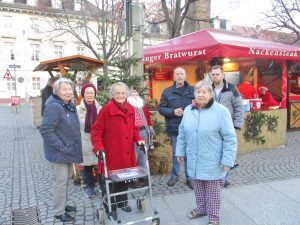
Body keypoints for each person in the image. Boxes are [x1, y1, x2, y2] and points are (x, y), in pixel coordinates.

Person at [176, 81, 237, 225]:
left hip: (213, 160)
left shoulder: (221, 111)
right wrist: (179, 151)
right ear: (194, 94)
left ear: (210, 94)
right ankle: (202, 208)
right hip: (194, 159)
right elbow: (182, 133)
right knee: (198, 187)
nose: (201, 94)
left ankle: (214, 218)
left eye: (204, 92)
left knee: (213, 192)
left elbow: (230, 138)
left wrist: (228, 160)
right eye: (198, 92)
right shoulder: (188, 110)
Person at [91, 82, 145, 221]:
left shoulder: (130, 108)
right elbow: (96, 131)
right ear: (112, 95)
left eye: (123, 93)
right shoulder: (106, 109)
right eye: (117, 93)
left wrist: (138, 139)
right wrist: (98, 148)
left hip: (126, 152)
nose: (121, 95)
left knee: (124, 180)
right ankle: (111, 207)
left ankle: (122, 203)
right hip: (111, 153)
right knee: (110, 182)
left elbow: (134, 129)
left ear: (126, 94)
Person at [39, 78, 82, 223]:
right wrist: (61, 147)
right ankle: (59, 211)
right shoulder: (54, 107)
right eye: (65, 89)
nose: (68, 92)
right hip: (59, 152)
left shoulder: (68, 104)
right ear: (56, 91)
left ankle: (63, 205)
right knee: (60, 182)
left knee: (66, 180)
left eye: (70, 89)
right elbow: (46, 131)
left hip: (68, 150)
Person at [158, 67, 194, 189]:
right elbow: (161, 108)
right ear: (173, 77)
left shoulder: (193, 90)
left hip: (191, 128)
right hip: (174, 128)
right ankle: (175, 175)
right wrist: (173, 111)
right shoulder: (167, 92)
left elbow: (200, 105)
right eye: (177, 74)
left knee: (189, 153)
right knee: (176, 153)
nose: (179, 76)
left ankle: (190, 177)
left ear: (185, 76)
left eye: (181, 74)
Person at [210, 65, 243, 187]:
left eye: (217, 74)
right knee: (215, 151)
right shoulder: (208, 89)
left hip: (227, 126)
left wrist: (236, 126)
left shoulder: (232, 88)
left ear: (222, 75)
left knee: (228, 151)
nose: (215, 76)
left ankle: (226, 178)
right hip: (212, 127)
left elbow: (239, 107)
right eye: (213, 74)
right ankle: (215, 175)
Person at [77, 83, 101, 198]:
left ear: (95, 94)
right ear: (83, 94)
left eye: (92, 92)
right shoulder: (77, 110)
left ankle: (102, 186)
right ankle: (90, 187)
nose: (90, 95)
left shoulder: (100, 109)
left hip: (98, 141)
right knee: (87, 167)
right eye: (87, 93)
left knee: (101, 165)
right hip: (84, 141)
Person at [127, 90, 155, 187]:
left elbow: (148, 119)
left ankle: (144, 177)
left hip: (144, 131)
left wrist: (150, 129)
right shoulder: (127, 107)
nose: (135, 96)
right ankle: (133, 179)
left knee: (143, 155)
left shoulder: (142, 106)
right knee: (134, 155)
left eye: (136, 94)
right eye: (132, 94)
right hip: (132, 133)